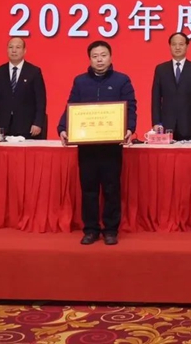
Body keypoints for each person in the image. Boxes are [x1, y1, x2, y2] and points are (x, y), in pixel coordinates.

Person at [57, 41, 137, 246]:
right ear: (90, 59)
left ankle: (110, 230)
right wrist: (63, 128)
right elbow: (71, 107)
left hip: (111, 147)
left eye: (103, 55)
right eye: (95, 56)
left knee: (111, 189)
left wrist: (129, 128)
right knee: (89, 189)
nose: (99, 59)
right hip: (88, 147)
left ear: (110, 57)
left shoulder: (122, 80)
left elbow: (130, 107)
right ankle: (91, 230)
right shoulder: (80, 81)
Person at [0, 37, 47, 138]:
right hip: (2, 127)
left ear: (24, 51)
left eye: (18, 47)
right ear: (7, 50)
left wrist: (38, 122)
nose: (14, 50)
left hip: (27, 127)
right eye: (11, 47)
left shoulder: (34, 72)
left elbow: (41, 100)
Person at [151, 33, 191, 140]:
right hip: (166, 125)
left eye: (181, 44)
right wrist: (156, 122)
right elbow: (156, 98)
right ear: (170, 46)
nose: (177, 47)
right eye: (174, 44)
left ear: (187, 46)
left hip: (189, 124)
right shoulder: (161, 69)